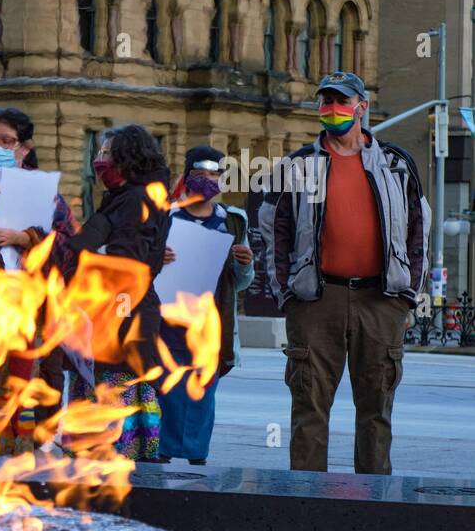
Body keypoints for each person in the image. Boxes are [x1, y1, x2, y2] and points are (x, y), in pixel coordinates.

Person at [258, 71, 428, 475]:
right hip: (317, 301)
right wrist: (287, 293)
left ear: (361, 108)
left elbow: (419, 228)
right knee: (309, 408)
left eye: (341, 102)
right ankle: (306, 503)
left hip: (380, 299)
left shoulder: (396, 163)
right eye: (326, 102)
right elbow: (271, 227)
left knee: (376, 409)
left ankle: (374, 505)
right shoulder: (298, 165)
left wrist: (407, 297)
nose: (332, 110)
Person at [0, 107, 74, 455]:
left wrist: (26, 238)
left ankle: (22, 454)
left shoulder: (42, 189)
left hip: (27, 303)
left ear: (25, 146)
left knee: (25, 380)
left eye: (6, 141)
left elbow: (68, 246)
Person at [53, 124, 172, 460]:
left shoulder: (135, 199)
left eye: (105, 152)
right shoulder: (128, 196)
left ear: (126, 157)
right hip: (119, 306)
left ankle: (117, 464)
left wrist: (89, 256)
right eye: (99, 152)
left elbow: (126, 262)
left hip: (121, 309)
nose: (98, 159)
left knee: (115, 384)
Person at [155, 145, 254, 465]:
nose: (207, 180)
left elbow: (240, 284)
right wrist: (157, 260)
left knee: (202, 390)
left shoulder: (234, 221)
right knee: (168, 388)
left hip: (211, 321)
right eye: (200, 174)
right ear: (186, 177)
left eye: (214, 174)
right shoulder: (165, 218)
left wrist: (244, 264)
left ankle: (198, 455)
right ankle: (165, 450)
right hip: (169, 320)